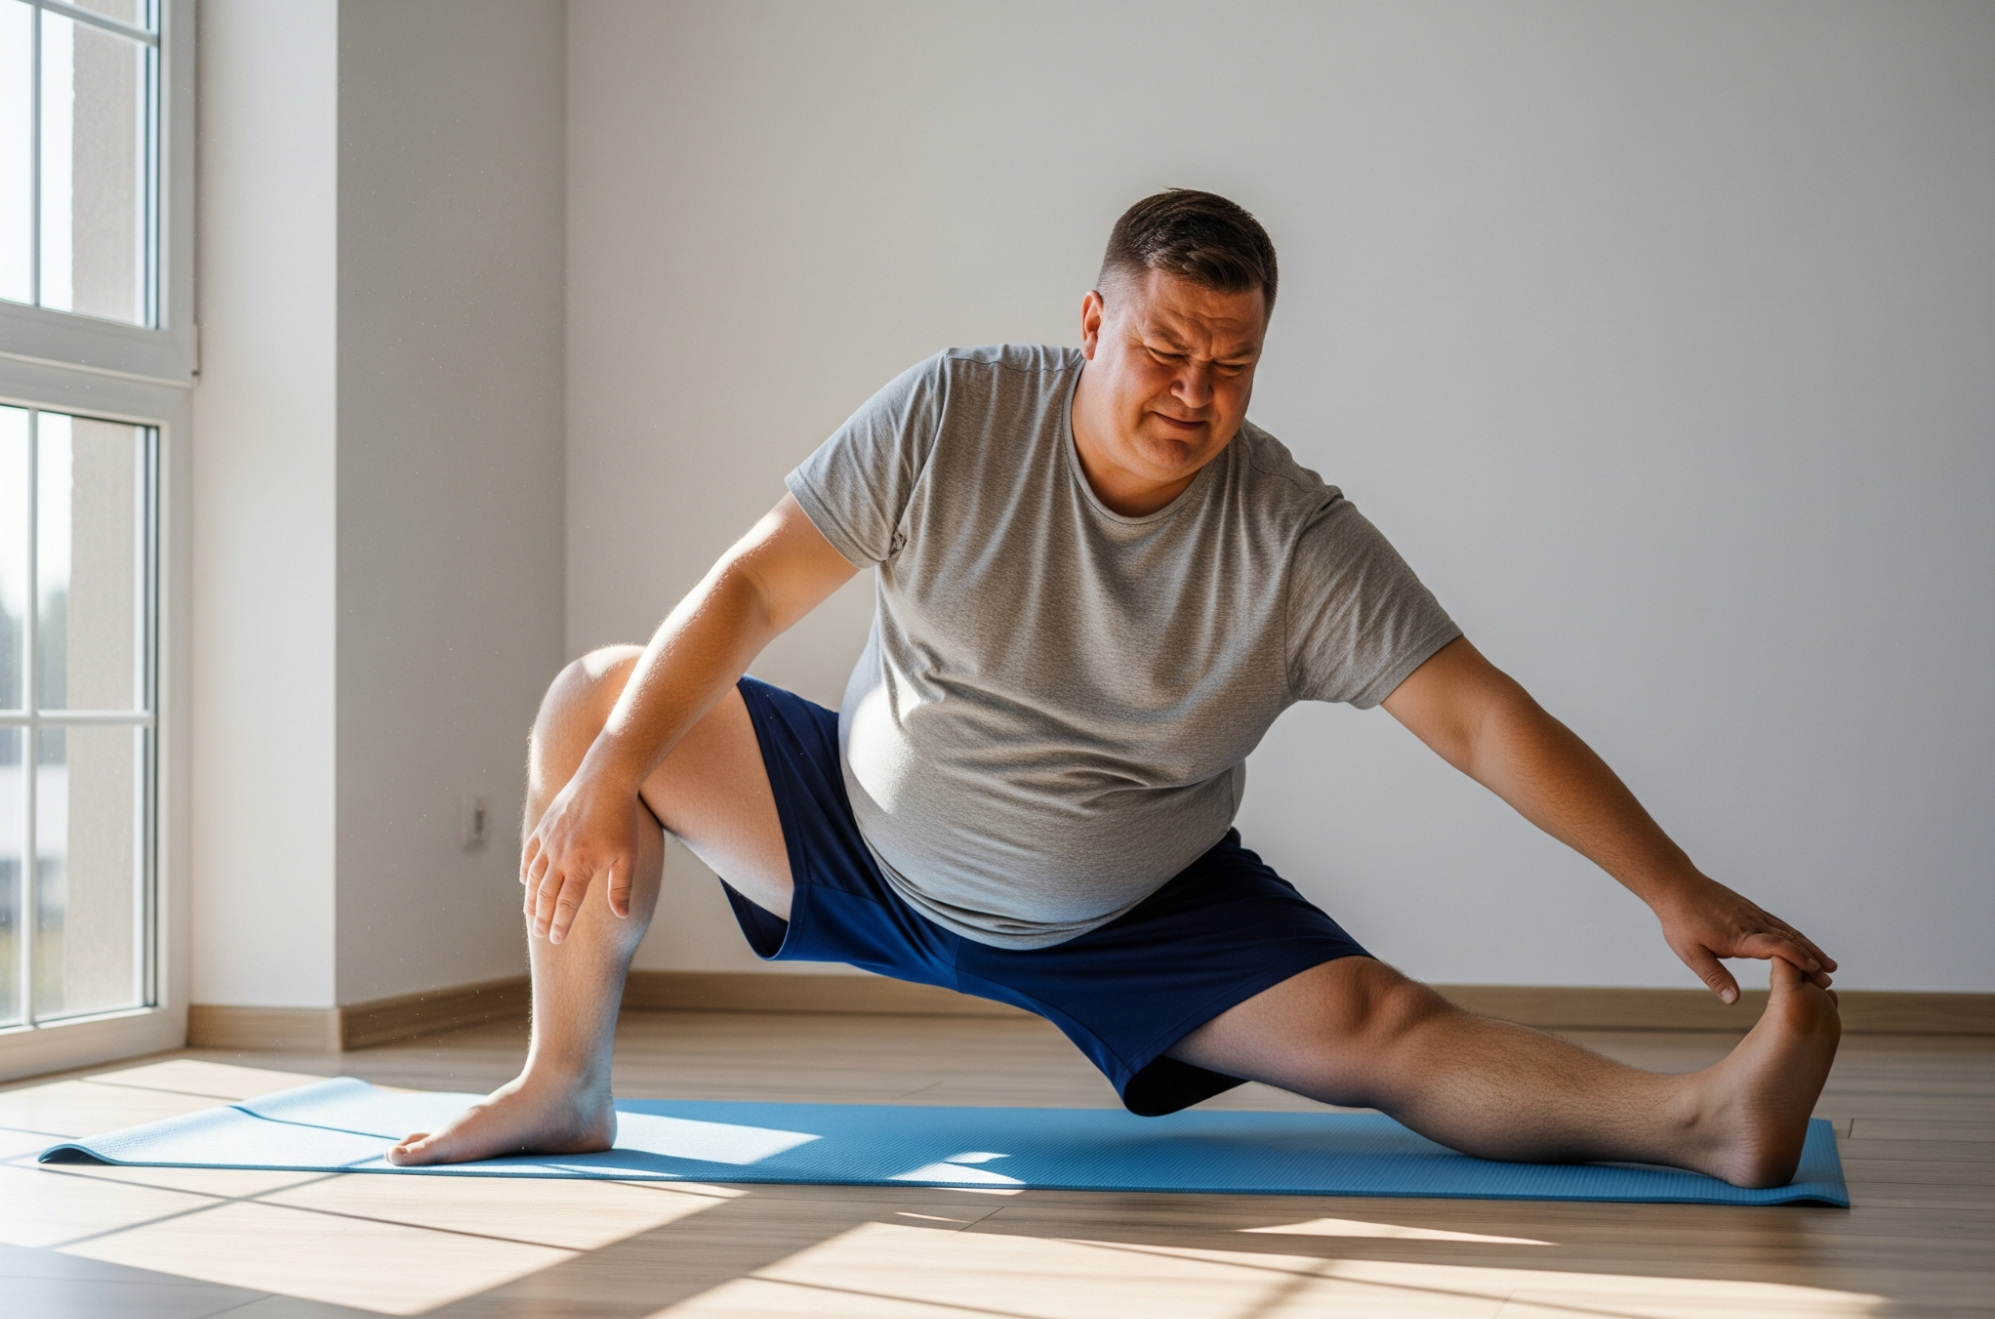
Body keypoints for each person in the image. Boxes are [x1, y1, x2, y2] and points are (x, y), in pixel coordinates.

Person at [390, 190, 1840, 1188]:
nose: (1192, 394)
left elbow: (1474, 714)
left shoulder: (1293, 537)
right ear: (1092, 323)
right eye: (1162, 349)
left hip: (1133, 917)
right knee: (598, 700)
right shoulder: (953, 411)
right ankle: (564, 1084)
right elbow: (754, 589)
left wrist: (1666, 881)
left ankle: (1702, 1123)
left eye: (1231, 365)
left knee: (1386, 1033)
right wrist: (594, 781)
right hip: (857, 840)